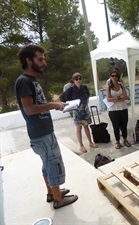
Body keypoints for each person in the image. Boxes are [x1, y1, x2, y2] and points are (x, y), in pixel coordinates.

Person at [14, 44, 78, 209]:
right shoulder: (24, 82)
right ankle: (58, 199)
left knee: (47, 164)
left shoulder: (31, 80)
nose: (44, 63)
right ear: (28, 61)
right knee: (53, 163)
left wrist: (54, 105)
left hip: (42, 133)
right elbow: (29, 109)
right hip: (41, 134)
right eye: (40, 59)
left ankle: (51, 193)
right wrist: (53, 105)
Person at [60, 72, 98, 153]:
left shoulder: (84, 87)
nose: (78, 80)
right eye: (76, 79)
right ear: (73, 80)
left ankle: (90, 142)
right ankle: (81, 145)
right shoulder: (71, 89)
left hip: (84, 108)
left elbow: (87, 94)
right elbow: (62, 97)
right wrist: (70, 106)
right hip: (77, 110)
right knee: (79, 127)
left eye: (80, 78)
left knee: (86, 126)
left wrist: (86, 102)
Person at [106, 69, 131, 149]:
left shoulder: (121, 85)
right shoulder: (109, 87)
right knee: (115, 126)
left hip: (123, 108)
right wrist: (119, 98)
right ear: (110, 77)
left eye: (116, 76)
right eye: (112, 76)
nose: (114, 77)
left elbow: (126, 97)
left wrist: (115, 99)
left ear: (118, 77)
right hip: (113, 110)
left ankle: (125, 139)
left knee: (124, 125)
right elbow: (108, 99)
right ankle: (117, 141)